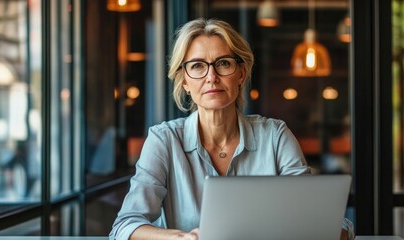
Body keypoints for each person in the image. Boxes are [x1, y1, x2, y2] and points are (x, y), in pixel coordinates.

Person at [109, 18, 355, 240]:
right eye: (197, 66)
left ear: (241, 73)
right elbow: (125, 226)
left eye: (223, 63)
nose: (212, 76)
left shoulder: (275, 136)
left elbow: (320, 221)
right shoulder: (164, 140)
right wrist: (180, 239)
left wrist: (332, 229)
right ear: (184, 80)